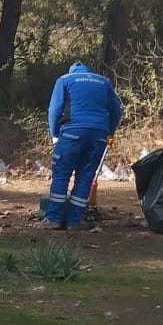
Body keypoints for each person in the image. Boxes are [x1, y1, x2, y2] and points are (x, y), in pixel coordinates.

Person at [45, 61, 123, 230]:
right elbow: (116, 111)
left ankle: (53, 219)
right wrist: (109, 132)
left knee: (61, 174)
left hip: (72, 132)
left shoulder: (64, 80)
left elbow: (54, 109)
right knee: (85, 177)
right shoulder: (104, 82)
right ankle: (74, 221)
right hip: (99, 135)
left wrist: (54, 135)